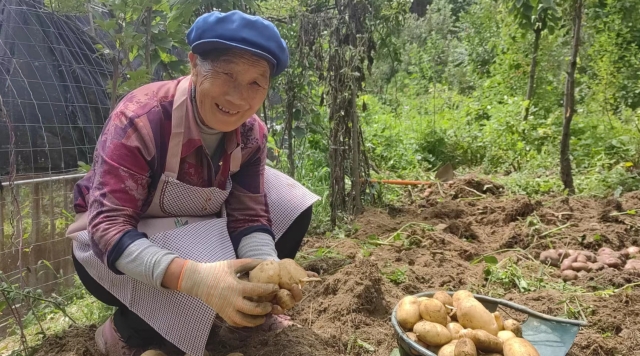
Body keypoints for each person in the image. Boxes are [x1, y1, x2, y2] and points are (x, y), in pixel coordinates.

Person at [66, 10, 320, 356]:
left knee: (289, 200)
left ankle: (246, 307)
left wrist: (266, 272)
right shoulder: (142, 119)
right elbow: (108, 227)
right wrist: (197, 279)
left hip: (192, 228)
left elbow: (249, 213)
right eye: (226, 74)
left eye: (255, 83)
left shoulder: (252, 134)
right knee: (195, 260)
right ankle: (127, 330)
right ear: (194, 65)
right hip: (107, 249)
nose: (237, 97)